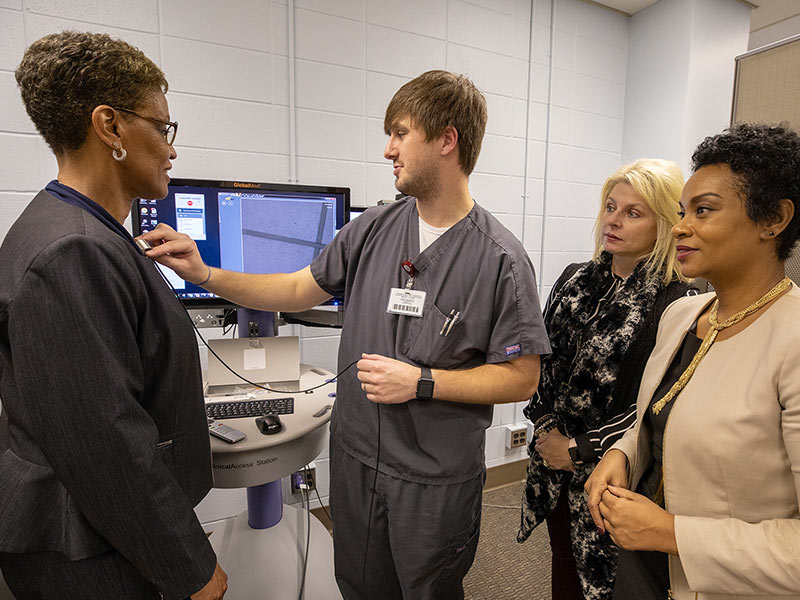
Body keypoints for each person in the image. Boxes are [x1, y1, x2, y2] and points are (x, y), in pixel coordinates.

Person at [140, 69, 551, 599]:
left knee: (426, 590)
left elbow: (522, 378)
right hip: (358, 461)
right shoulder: (374, 228)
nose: (388, 149)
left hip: (431, 482)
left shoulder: (500, 260)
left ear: (447, 140)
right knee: (358, 583)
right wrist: (205, 275)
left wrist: (424, 381)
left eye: (400, 133)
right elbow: (295, 289)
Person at [0, 31, 226, 599]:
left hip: (103, 533)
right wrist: (191, 567)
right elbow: (106, 443)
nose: (172, 149)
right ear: (111, 126)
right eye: (163, 127)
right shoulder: (71, 251)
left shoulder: (87, 233)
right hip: (88, 551)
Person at [585, 122, 800, 600]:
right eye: (683, 212)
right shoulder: (683, 315)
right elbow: (660, 418)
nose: (680, 226)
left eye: (703, 211)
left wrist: (670, 533)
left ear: (775, 219)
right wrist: (623, 452)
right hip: (643, 567)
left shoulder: (792, 341)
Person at [517, 159, 697, 600]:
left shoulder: (679, 299)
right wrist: (546, 433)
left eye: (633, 213)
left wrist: (578, 449)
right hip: (551, 459)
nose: (613, 221)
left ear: (665, 223)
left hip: (615, 472)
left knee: (610, 580)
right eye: (611, 207)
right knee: (563, 560)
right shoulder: (575, 279)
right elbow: (539, 360)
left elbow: (659, 402)